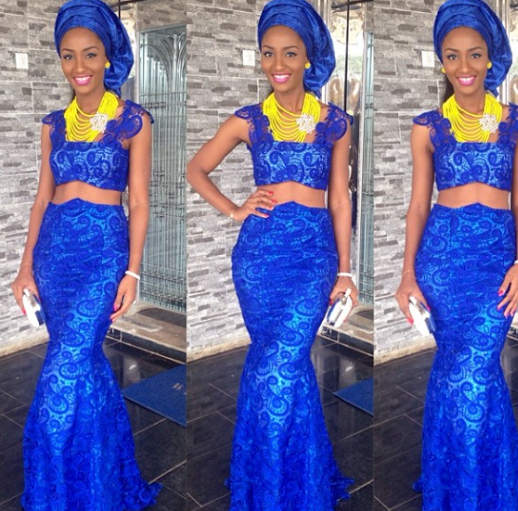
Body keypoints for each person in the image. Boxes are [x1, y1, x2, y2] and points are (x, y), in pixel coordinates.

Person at [187, 0, 357, 508]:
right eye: (268, 53)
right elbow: (196, 169)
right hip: (258, 257)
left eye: (289, 52)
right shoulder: (249, 120)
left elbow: (340, 198)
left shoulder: (335, 122)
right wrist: (234, 209)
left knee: (280, 362)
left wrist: (346, 270)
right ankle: (291, 480)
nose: (277, 63)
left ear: (308, 58)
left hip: (313, 256)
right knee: (278, 361)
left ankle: (272, 483)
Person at [10, 0, 160, 508]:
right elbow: (40, 199)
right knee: (85, 365)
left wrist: (133, 271)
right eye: (68, 56)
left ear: (107, 57)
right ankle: (102, 482)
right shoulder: (53, 124)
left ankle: (55, 492)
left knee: (64, 368)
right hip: (54, 254)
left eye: (90, 54)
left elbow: (139, 202)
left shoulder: (133, 120)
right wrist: (25, 267)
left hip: (102, 254)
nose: (79, 66)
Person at [395, 0, 518, 509]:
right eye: (452, 56)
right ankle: (464, 481)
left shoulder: (517, 122)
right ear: (442, 62)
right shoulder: (428, 126)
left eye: (474, 54)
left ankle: (472, 486)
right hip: (441, 259)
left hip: (497, 260)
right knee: (458, 366)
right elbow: (418, 205)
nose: (464, 66)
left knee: (473, 370)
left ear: (490, 58)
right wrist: (408, 274)